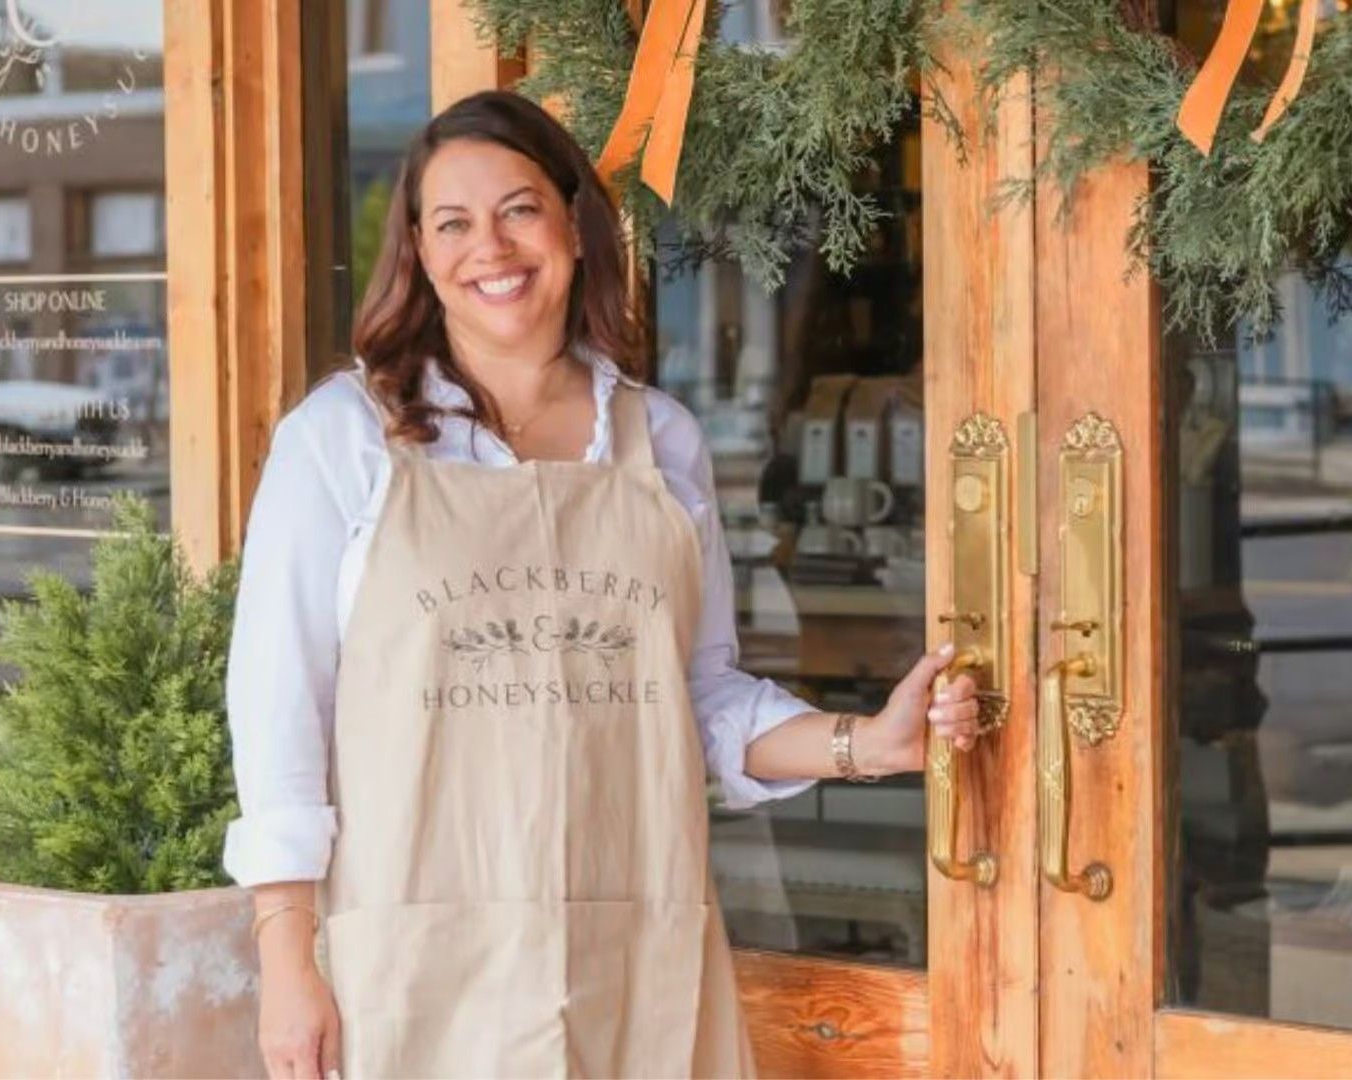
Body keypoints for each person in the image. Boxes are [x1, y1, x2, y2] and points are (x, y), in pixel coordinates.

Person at [221, 90, 982, 1079]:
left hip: (634, 952)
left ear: (576, 225)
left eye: (519, 209)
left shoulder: (660, 439)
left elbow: (698, 694)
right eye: (452, 222)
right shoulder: (343, 439)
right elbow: (278, 706)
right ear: (417, 249)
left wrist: (866, 744)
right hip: (412, 956)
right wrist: (286, 957)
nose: (488, 247)